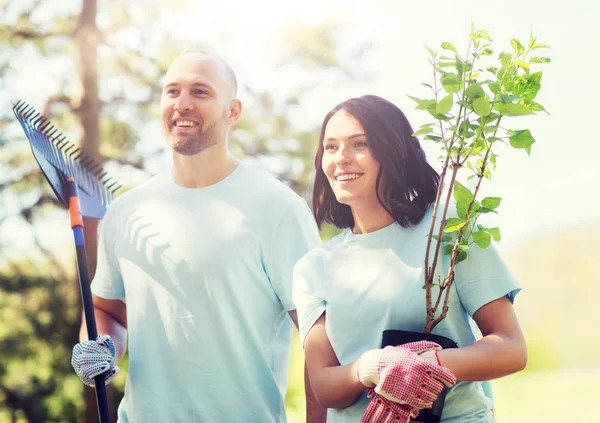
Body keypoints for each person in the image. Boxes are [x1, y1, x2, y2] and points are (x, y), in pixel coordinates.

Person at [70, 51, 326, 423]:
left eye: (200, 92)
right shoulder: (126, 212)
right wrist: (102, 348)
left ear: (233, 111)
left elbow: (320, 339)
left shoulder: (277, 208)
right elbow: (106, 308)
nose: (182, 104)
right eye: (172, 91)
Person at [292, 95, 527, 422]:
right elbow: (325, 387)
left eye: (359, 143)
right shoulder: (312, 269)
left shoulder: (450, 229)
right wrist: (372, 367)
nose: (341, 158)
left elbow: (510, 348)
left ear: (393, 150)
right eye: (330, 147)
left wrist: (429, 364)